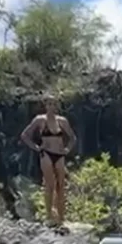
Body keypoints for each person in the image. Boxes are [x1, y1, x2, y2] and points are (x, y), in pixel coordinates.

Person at [19, 95, 77, 227]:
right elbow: (25, 135)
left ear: (57, 106)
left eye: (54, 104)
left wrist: (67, 149)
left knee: (61, 186)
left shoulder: (62, 121)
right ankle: (49, 216)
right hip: (46, 153)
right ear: (45, 105)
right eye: (49, 104)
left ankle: (61, 217)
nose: (51, 106)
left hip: (60, 154)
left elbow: (73, 137)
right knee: (49, 185)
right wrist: (36, 147)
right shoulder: (40, 120)